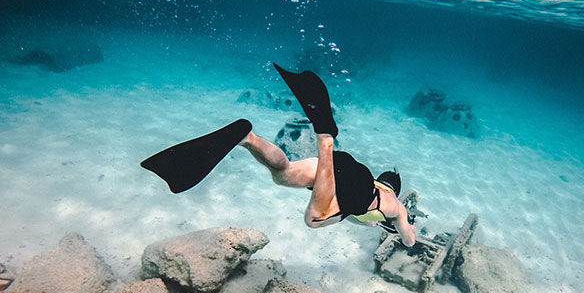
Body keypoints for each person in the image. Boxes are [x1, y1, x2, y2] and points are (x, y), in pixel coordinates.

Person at [141, 63, 416, 247]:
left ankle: (247, 138)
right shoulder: (396, 207)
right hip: (356, 189)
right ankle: (325, 139)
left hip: (349, 167)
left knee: (283, 176)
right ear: (394, 188)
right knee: (314, 219)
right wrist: (408, 227)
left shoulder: (379, 186)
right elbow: (409, 241)